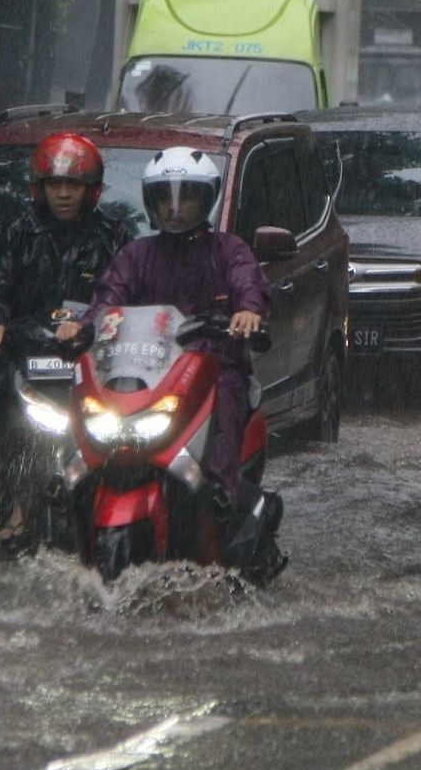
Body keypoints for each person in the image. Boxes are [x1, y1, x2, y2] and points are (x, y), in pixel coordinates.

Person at [62, 145, 271, 507]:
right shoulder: (136, 254)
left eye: (186, 197)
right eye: (165, 197)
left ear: (205, 200)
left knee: (226, 400)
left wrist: (248, 311)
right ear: (151, 202)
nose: (174, 207)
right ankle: (73, 483)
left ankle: (220, 494)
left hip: (214, 368)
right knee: (86, 401)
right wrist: (83, 327)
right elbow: (108, 297)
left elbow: (248, 281)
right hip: (147, 372)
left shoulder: (228, 250)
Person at [0, 132, 131, 545]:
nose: (64, 195)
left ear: (91, 191)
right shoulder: (17, 234)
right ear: (40, 188)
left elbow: (129, 296)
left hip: (94, 358)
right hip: (26, 355)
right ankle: (13, 498)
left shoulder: (114, 238)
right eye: (55, 185)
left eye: (73, 186)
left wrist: (92, 327)